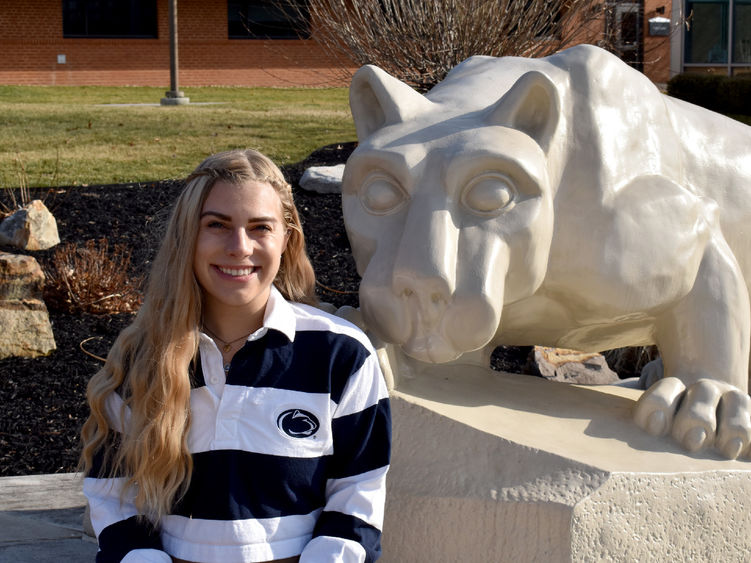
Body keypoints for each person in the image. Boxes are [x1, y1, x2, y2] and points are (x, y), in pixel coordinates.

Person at [79, 149, 391, 563]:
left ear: (287, 238)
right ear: (187, 237)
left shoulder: (341, 354)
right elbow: (112, 495)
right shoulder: (142, 358)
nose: (239, 247)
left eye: (260, 227)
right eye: (216, 225)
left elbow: (357, 497)